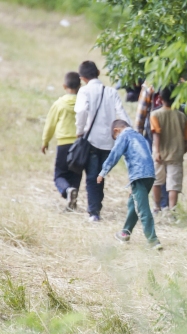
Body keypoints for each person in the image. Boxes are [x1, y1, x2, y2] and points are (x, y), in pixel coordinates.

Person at [74, 60, 131, 221]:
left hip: (91, 139)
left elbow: (81, 111)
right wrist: (130, 132)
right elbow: (122, 113)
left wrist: (80, 131)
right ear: (98, 72)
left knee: (92, 176)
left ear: (82, 77)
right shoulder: (112, 92)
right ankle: (96, 208)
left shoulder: (84, 92)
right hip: (109, 141)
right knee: (101, 174)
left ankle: (94, 212)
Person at [97, 120, 161, 250]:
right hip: (150, 174)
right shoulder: (139, 136)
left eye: (115, 138)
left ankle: (153, 240)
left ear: (116, 130)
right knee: (134, 203)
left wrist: (103, 172)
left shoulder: (124, 136)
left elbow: (115, 153)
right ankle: (125, 233)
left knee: (143, 209)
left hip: (138, 175)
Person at [42, 71, 81, 210]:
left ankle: (67, 191)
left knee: (59, 175)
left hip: (64, 144)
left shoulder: (59, 104)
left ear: (64, 86)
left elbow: (50, 124)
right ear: (80, 86)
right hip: (79, 144)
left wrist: (45, 141)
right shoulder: (83, 103)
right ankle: (72, 201)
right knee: (76, 173)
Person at [149, 86, 187, 211]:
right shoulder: (182, 116)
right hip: (176, 153)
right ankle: (172, 209)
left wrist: (156, 150)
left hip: (160, 153)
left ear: (160, 99)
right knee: (173, 184)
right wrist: (184, 148)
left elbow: (156, 133)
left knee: (156, 181)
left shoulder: (155, 114)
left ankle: (157, 207)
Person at [134, 81, 168, 210]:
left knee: (154, 169)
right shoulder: (177, 81)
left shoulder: (150, 84)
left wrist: (138, 135)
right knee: (167, 168)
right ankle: (165, 204)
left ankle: (158, 204)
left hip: (151, 133)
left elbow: (141, 112)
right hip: (171, 133)